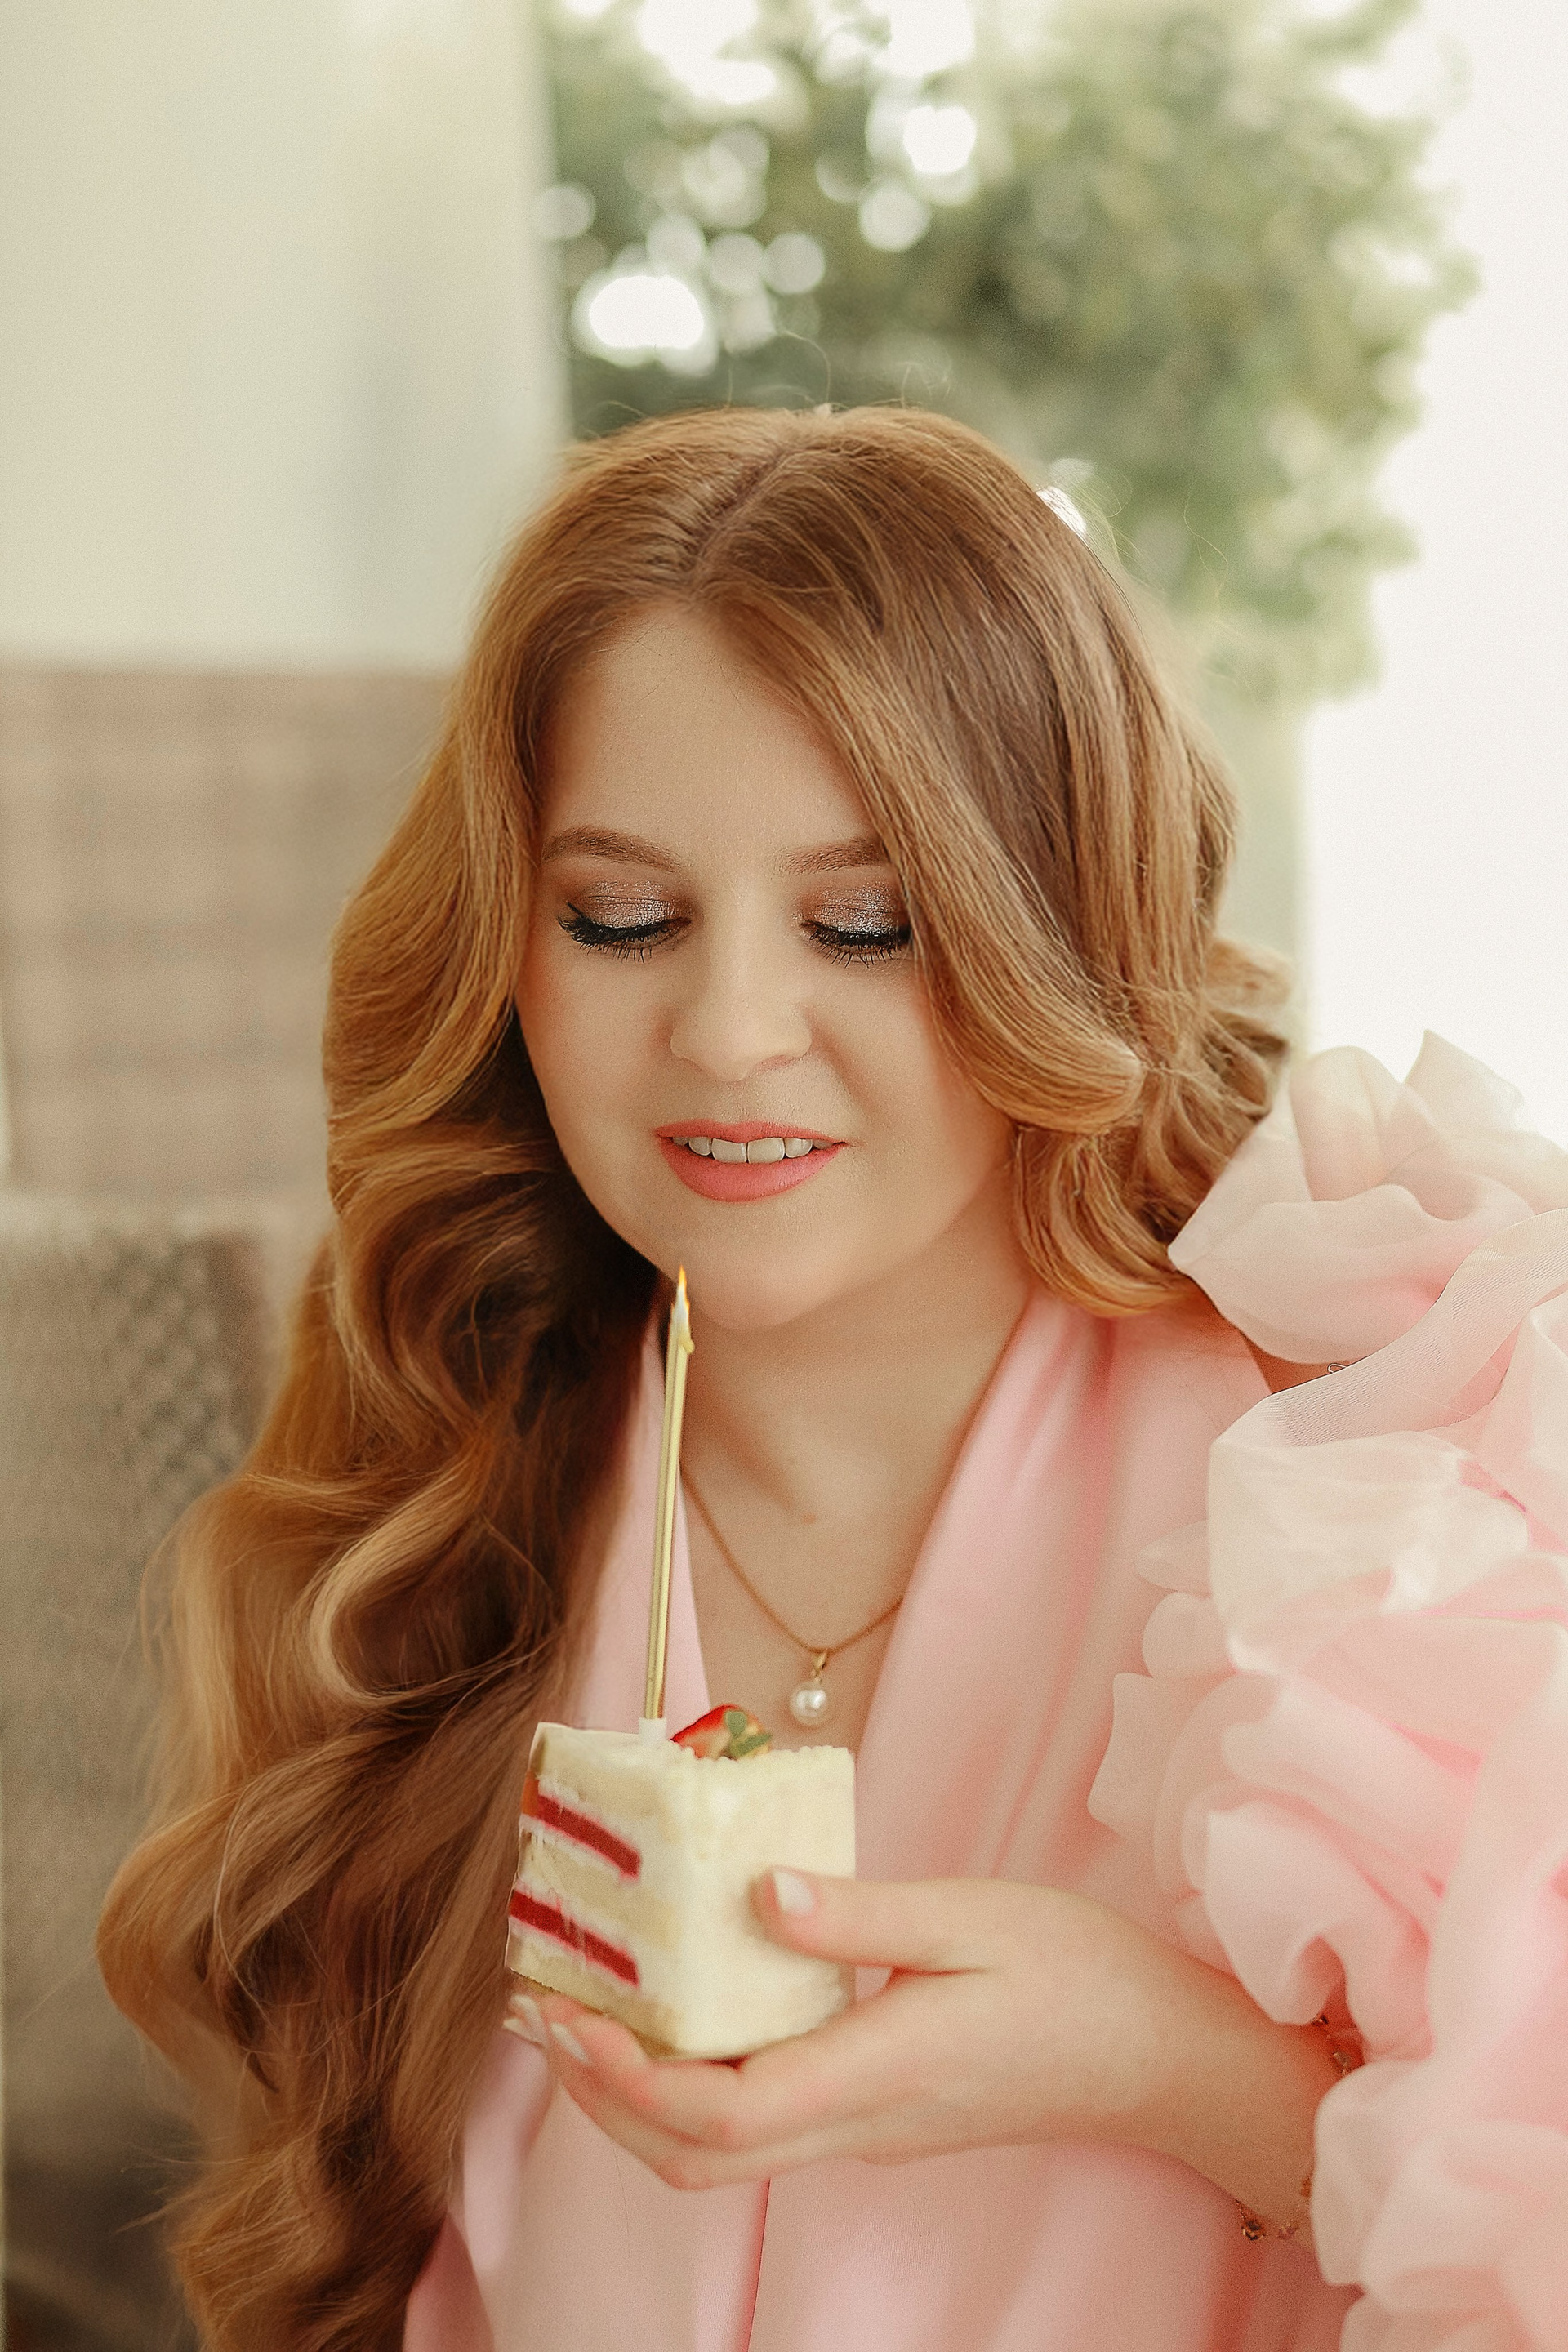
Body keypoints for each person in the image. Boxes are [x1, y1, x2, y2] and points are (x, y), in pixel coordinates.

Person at [98, 406, 1568, 2352]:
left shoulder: (1373, 1501)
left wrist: (1167, 2065)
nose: (728, 1030)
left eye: (864, 924)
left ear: (1059, 929)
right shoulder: (435, 1507)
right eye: (623, 917)